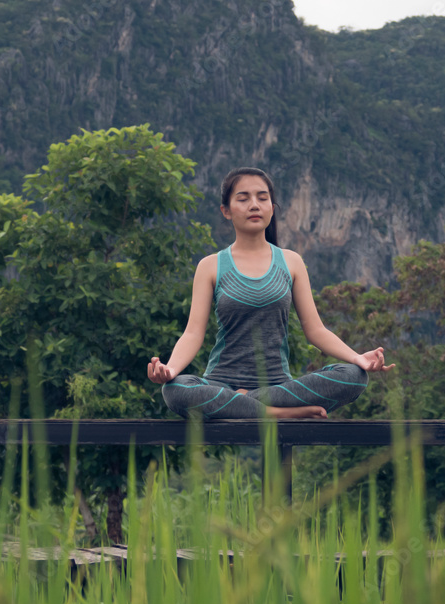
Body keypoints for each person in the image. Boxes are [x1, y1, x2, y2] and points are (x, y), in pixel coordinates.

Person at [147, 167, 395, 419]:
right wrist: (171, 369)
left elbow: (316, 330)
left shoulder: (291, 262)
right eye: (243, 199)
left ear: (272, 208)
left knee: (354, 378)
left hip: (277, 387)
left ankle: (245, 404)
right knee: (176, 389)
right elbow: (193, 333)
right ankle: (276, 413)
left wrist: (358, 358)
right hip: (221, 384)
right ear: (226, 210)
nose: (254, 205)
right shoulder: (211, 265)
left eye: (262, 198)